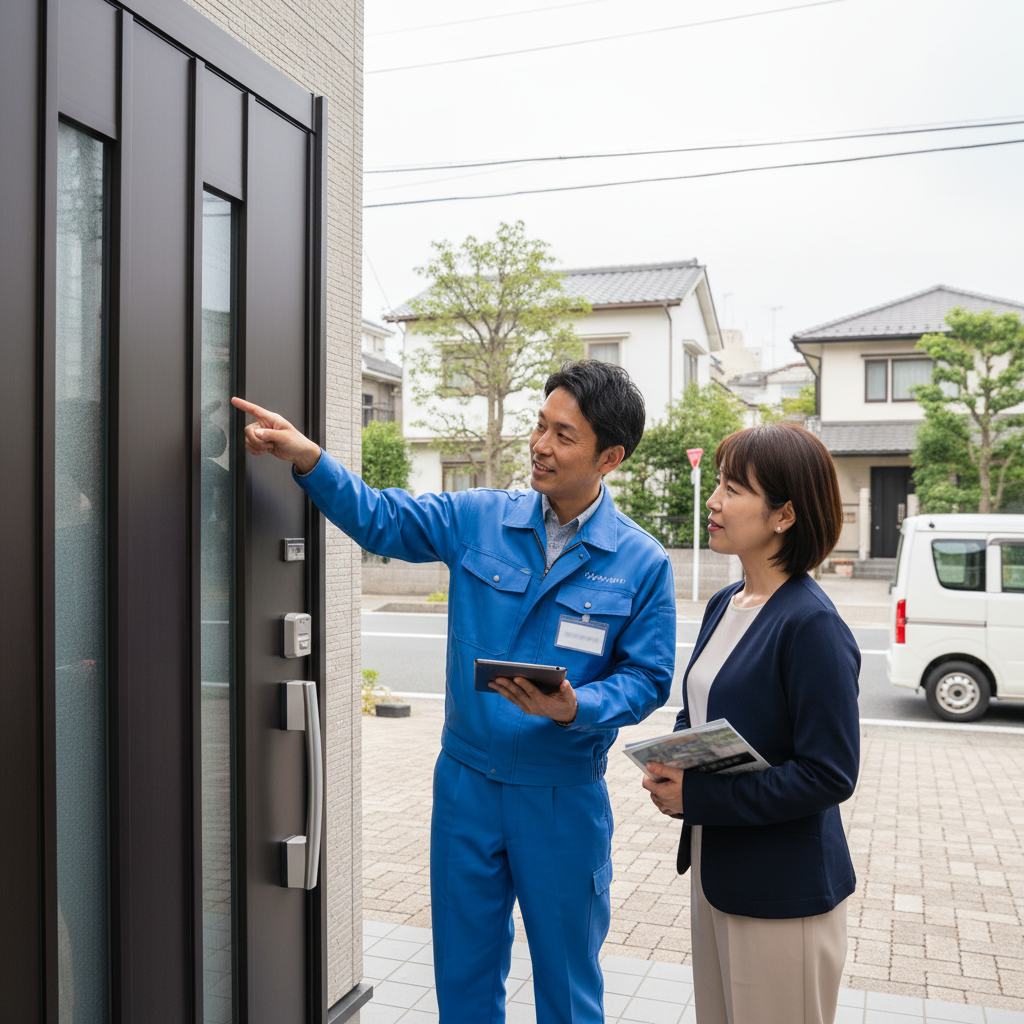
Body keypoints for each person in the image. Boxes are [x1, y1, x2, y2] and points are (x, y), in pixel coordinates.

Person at [231, 360, 676, 1024]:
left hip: (561, 796)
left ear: (609, 457)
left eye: (563, 436)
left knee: (568, 986)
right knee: (464, 980)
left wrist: (577, 706)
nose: (540, 445)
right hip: (466, 787)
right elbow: (382, 519)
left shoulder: (641, 561)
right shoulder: (480, 518)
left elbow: (648, 678)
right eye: (539, 425)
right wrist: (308, 459)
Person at [641, 422, 860, 1024]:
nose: (713, 501)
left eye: (733, 489)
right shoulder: (725, 603)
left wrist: (698, 795)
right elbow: (703, 710)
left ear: (784, 515)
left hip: (783, 891)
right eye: (717, 483)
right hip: (717, 868)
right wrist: (672, 763)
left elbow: (829, 774)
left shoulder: (812, 625)